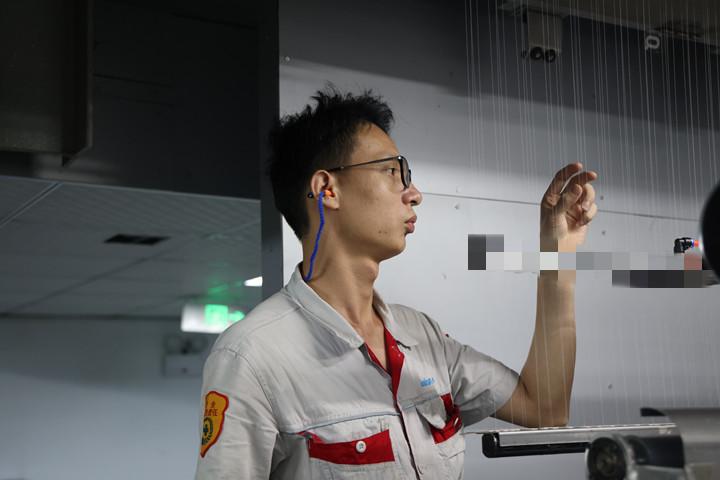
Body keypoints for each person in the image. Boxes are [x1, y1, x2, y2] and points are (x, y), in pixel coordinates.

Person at [194, 88, 598, 479]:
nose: (414, 194)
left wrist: (558, 252)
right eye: (392, 171)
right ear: (326, 190)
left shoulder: (422, 336)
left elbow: (545, 408)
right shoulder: (252, 357)